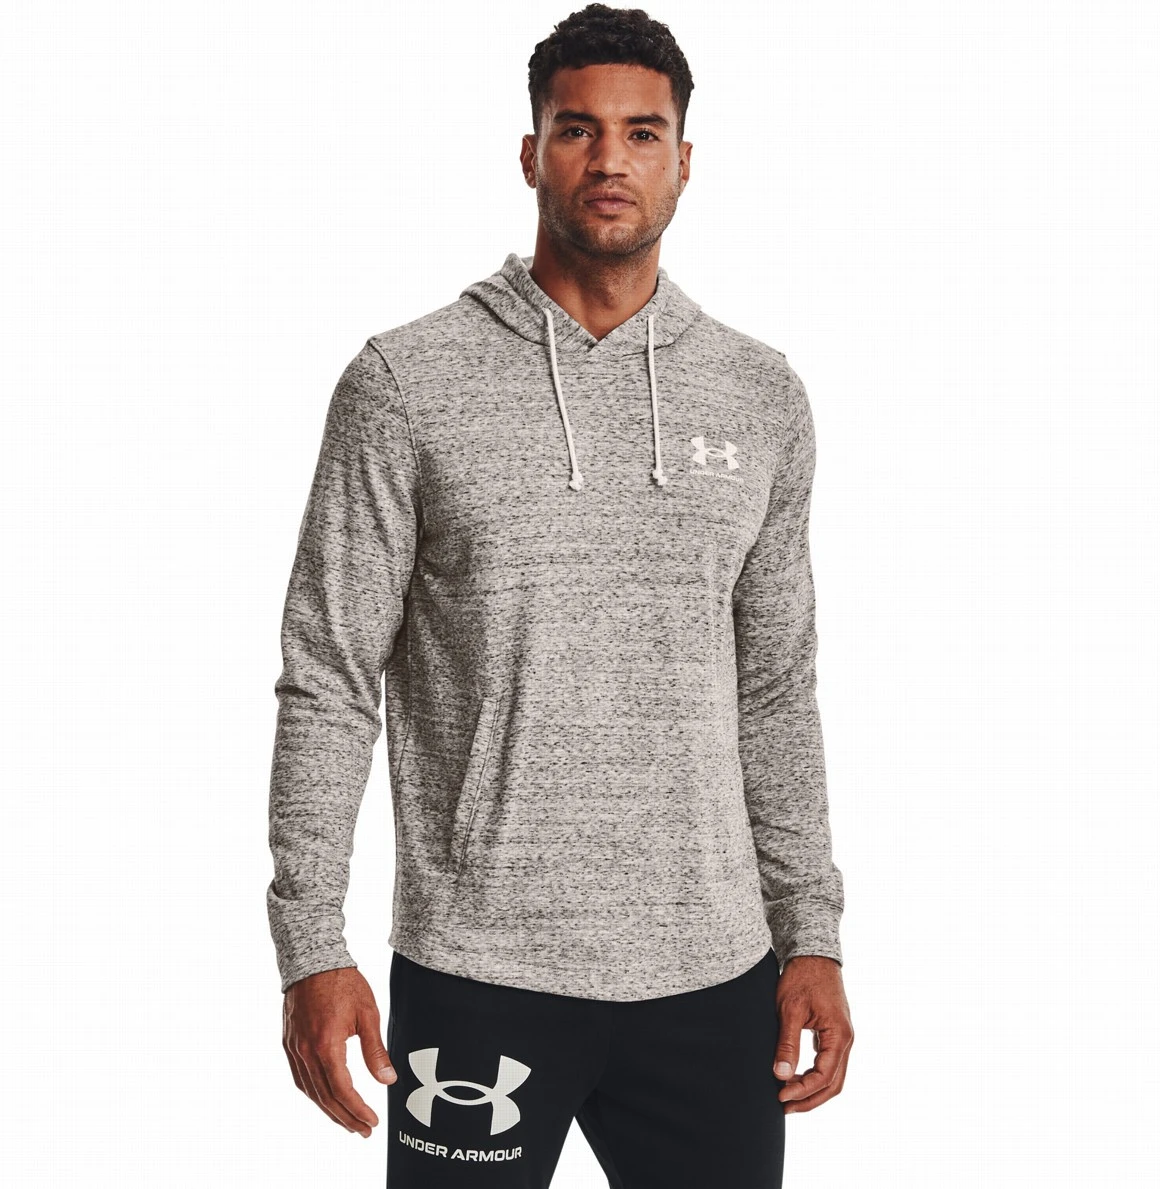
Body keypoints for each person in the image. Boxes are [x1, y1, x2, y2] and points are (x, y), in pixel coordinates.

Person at [267, 5, 853, 1186]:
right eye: (577, 129)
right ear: (531, 152)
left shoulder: (758, 396)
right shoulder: (404, 382)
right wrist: (310, 943)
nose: (608, 160)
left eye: (642, 133)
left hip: (713, 972)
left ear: (684, 160)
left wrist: (813, 933)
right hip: (478, 970)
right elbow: (329, 673)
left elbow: (776, 690)